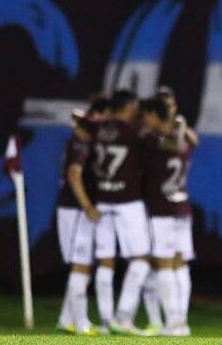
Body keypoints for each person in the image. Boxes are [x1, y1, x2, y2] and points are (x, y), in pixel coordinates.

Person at [85, 89, 152, 335]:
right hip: (127, 201)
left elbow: (80, 122)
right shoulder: (134, 132)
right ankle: (123, 318)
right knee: (141, 260)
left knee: (105, 262)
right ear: (130, 105)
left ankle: (105, 321)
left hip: (103, 200)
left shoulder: (98, 128)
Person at [139, 97, 196, 336]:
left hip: (162, 209)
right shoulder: (182, 141)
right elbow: (187, 142)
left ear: (154, 115)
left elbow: (163, 144)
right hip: (182, 207)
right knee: (180, 266)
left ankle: (173, 322)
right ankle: (181, 322)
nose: (144, 120)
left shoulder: (154, 140)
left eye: (146, 115)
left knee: (163, 265)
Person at [55, 97, 111, 336]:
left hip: (75, 209)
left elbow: (76, 117)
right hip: (75, 209)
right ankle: (81, 324)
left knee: (82, 266)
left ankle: (66, 320)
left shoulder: (87, 136)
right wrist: (88, 206)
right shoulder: (81, 142)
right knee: (81, 266)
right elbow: (74, 174)